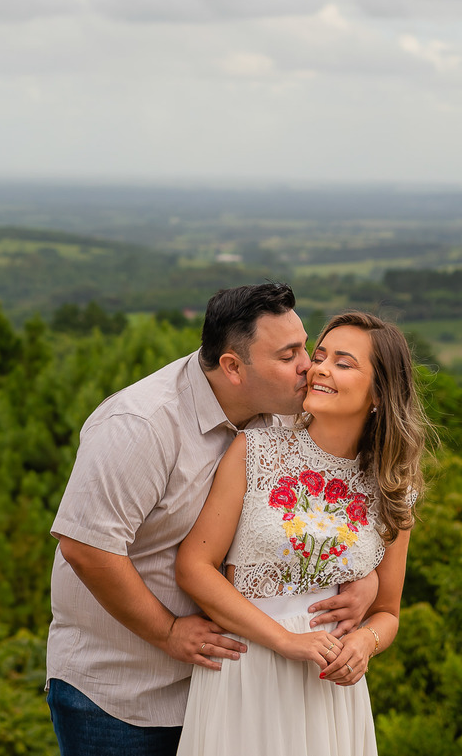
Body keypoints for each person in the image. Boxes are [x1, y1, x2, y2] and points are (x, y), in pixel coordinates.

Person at [47, 284, 379, 756]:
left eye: (305, 345)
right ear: (232, 367)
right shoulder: (139, 424)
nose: (309, 366)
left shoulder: (287, 413)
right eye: (289, 355)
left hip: (235, 691)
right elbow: (86, 548)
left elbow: (319, 512)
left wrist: (360, 576)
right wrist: (167, 631)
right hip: (122, 696)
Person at [175, 310, 433, 755]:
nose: (320, 369)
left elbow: (388, 612)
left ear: (379, 394)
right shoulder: (255, 449)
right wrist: (286, 642)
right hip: (246, 675)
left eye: (344, 362)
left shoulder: (392, 487)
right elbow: (194, 568)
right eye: (321, 355)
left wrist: (364, 644)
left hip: (329, 690)